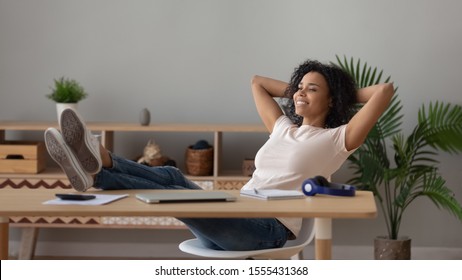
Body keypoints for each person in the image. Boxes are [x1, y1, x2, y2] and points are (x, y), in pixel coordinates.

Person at [44, 59, 394, 251]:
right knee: (172, 178)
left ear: (332, 100)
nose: (300, 93)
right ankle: (99, 163)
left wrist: (338, 89)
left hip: (266, 230)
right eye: (298, 87)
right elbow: (257, 81)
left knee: (173, 192)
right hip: (236, 211)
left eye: (311, 89)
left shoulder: (336, 139)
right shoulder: (284, 127)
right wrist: (302, 90)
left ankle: (100, 167)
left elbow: (384, 90)